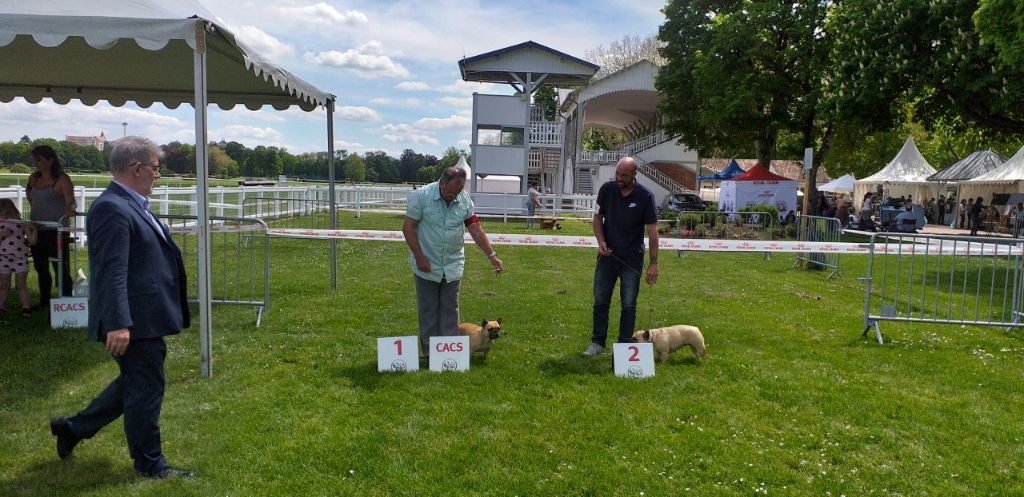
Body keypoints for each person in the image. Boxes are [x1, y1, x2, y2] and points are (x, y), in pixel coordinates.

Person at [48, 137, 193, 479]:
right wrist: (118, 323)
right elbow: (111, 270)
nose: (159, 175)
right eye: (156, 168)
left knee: (135, 382)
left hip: (144, 316)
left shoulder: (129, 203)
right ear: (137, 169)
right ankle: (150, 464)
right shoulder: (112, 207)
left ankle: (73, 428)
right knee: (145, 389)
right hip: (134, 320)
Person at [403, 166, 504, 357]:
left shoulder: (464, 199)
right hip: (426, 263)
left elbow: (475, 229)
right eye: (450, 192)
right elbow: (408, 228)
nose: (454, 196)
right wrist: (419, 256)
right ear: (441, 182)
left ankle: (448, 356)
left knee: (450, 312)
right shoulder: (421, 196)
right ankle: (430, 355)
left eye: (458, 191)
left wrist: (492, 256)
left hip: (452, 264)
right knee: (428, 311)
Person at [583, 156, 659, 356]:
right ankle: (597, 343)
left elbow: (653, 232)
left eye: (624, 175)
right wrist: (601, 242)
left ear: (634, 175)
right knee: (600, 301)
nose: (619, 177)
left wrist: (653, 263)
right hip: (607, 258)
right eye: (617, 173)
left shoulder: (645, 197)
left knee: (628, 304)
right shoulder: (607, 190)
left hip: (632, 260)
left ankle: (625, 347)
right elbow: (597, 218)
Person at [26, 145, 76, 308]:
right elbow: (30, 196)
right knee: (41, 266)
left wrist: (70, 208)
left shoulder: (62, 179)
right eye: (35, 160)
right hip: (37, 230)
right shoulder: (33, 178)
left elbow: (71, 201)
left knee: (61, 267)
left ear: (50, 160)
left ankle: (67, 301)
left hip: (57, 231)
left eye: (39, 159)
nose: (36, 163)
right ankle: (45, 300)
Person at [0, 199, 33, 319]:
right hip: (3, 259)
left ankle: (26, 308)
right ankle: (1, 307)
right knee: (4, 285)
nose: (4, 216)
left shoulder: (20, 223)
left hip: (20, 258)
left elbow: (32, 240)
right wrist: (2, 234)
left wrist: (32, 229)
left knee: (21, 285)